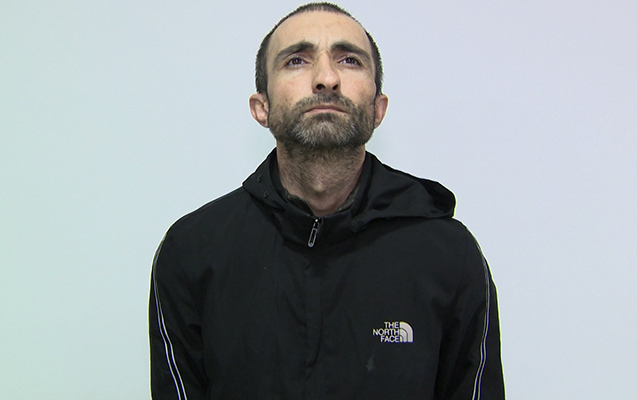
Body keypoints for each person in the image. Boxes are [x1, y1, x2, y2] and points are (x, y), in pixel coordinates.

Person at [149, 2, 505, 399]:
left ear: (378, 109)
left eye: (349, 60)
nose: (326, 78)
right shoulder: (192, 253)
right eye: (297, 60)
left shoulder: (449, 255)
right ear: (261, 108)